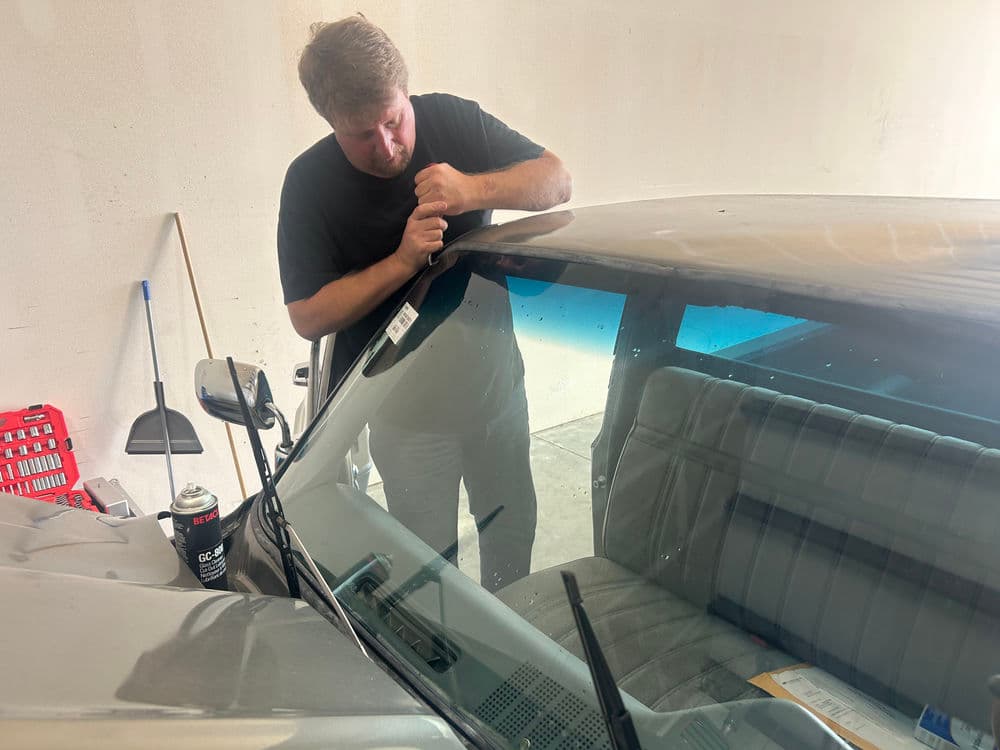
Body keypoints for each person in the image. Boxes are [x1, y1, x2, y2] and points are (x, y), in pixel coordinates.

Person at [276, 15, 571, 591]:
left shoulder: (452, 120)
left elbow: (557, 180)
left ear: (405, 92)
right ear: (331, 123)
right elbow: (308, 315)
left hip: (496, 392)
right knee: (429, 575)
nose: (387, 146)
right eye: (362, 135)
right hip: (404, 416)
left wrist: (470, 189)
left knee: (513, 543)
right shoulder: (309, 183)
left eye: (393, 121)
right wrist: (401, 262)